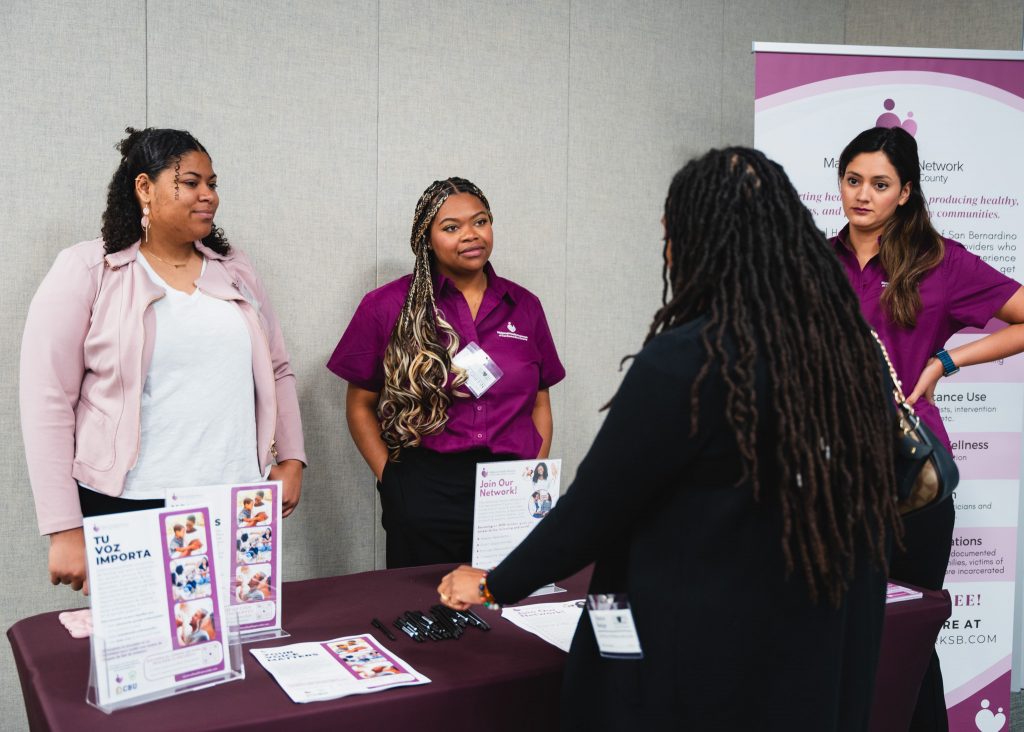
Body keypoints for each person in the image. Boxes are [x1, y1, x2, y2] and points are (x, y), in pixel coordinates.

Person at [438, 147, 899, 730]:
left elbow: (595, 509)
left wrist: (494, 583)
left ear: (702, 241)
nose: (667, 251)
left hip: (700, 653)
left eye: (671, 235)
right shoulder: (852, 354)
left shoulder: (692, 359)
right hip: (812, 635)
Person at [20, 127, 306, 594]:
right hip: (131, 504)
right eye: (191, 182)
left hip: (238, 500)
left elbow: (277, 369)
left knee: (238, 650)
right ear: (144, 188)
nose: (208, 195)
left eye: (212, 184)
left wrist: (291, 458)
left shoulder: (234, 268)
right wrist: (64, 527)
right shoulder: (90, 269)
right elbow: (47, 400)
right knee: (143, 660)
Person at [832, 126, 1024, 730]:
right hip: (829, 472)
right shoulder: (812, 259)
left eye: (880, 184)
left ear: (906, 192)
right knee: (831, 631)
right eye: (853, 179)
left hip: (911, 477)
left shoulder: (942, 263)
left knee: (907, 634)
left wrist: (948, 360)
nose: (862, 195)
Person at [328, 178, 565, 568]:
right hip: (426, 486)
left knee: (504, 610)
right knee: (422, 613)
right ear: (426, 238)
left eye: (480, 221)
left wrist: (533, 478)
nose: (470, 235)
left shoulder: (525, 306)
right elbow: (360, 403)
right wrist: (392, 479)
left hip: (509, 487)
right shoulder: (388, 306)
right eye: (451, 227)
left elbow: (540, 399)